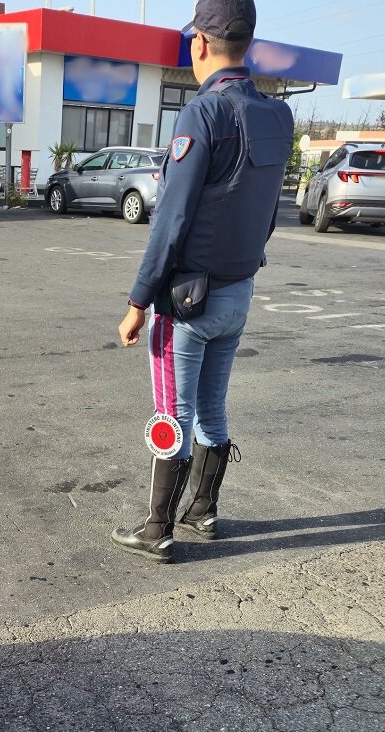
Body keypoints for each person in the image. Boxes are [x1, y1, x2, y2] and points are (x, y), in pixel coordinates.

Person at [112, 0, 294, 560]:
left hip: (188, 300)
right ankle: (203, 510)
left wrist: (138, 300)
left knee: (173, 411)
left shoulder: (203, 114)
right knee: (211, 406)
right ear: (247, 43)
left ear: (199, 43)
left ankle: (157, 529)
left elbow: (171, 220)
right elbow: (268, 214)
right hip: (238, 293)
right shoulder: (277, 116)